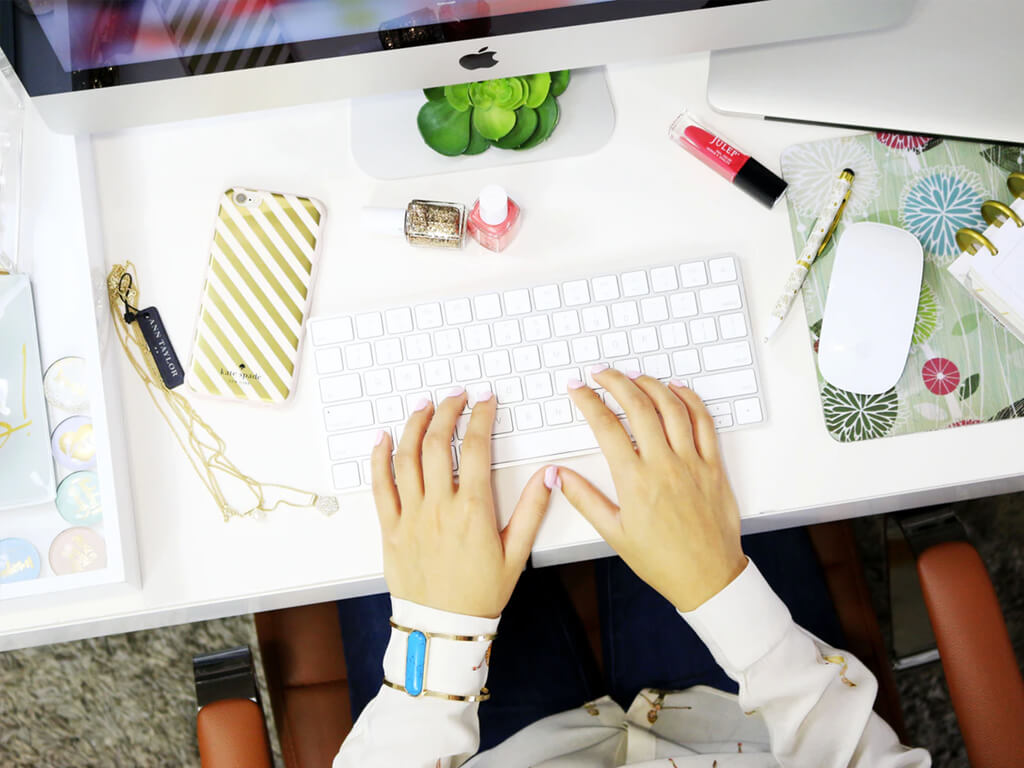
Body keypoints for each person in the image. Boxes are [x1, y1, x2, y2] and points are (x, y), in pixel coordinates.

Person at [332, 368, 931, 767]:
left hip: (503, 749)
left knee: (377, 496)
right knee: (684, 414)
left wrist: (438, 635)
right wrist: (721, 585)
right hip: (742, 723)